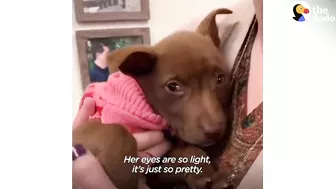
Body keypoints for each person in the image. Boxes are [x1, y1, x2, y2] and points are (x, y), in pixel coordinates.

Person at [72, 0, 263, 188]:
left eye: (219, 80)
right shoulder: (227, 27)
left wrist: (193, 165)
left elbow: (155, 166)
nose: (213, 122)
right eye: (174, 87)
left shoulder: (206, 46)